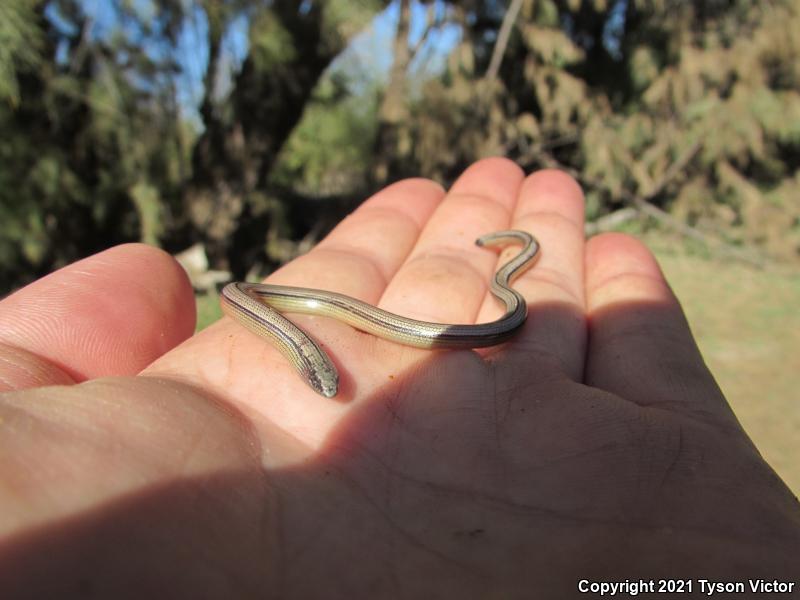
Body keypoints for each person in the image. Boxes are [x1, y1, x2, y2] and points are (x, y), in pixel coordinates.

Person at [0, 159, 797, 598]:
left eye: (320, 375)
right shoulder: (264, 318)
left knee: (498, 308)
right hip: (269, 303)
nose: (324, 380)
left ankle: (511, 262)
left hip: (332, 306)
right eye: (317, 373)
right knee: (270, 302)